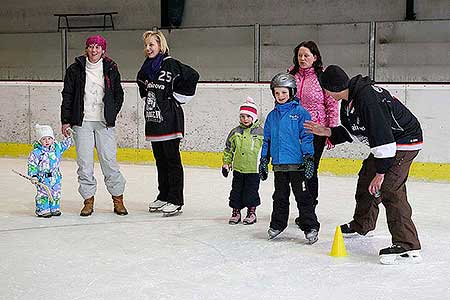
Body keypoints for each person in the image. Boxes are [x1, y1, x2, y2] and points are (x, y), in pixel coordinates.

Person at [305, 65, 423, 264]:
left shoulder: (367, 98)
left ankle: (407, 246)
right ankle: (363, 224)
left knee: (389, 188)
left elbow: (381, 135)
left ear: (331, 88)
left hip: (404, 140)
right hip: (389, 141)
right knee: (366, 177)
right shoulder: (350, 99)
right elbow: (357, 130)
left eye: (324, 89)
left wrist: (382, 172)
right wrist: (328, 132)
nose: (324, 93)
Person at [61, 34, 128, 217]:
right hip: (82, 122)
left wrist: (111, 113)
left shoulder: (111, 68)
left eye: (98, 47)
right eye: (91, 46)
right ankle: (88, 200)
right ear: (86, 49)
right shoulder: (75, 69)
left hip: (104, 122)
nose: (94, 50)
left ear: (103, 50)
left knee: (109, 161)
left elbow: (118, 94)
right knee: (84, 163)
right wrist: (65, 120)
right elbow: (67, 95)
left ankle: (118, 199)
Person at [136, 30, 199, 216]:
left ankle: (176, 200)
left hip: (171, 121)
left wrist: (177, 96)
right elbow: (143, 87)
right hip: (154, 121)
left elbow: (193, 76)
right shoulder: (146, 68)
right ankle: (163, 196)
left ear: (160, 46)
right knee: (160, 161)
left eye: (152, 45)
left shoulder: (170, 64)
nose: (148, 48)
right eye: (146, 45)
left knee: (172, 162)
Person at [259, 73, 319, 244]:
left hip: (297, 166)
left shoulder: (301, 113)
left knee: (303, 197)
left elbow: (307, 137)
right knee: (279, 197)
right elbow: (267, 140)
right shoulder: (272, 116)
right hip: (279, 166)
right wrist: (264, 159)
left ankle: (310, 227)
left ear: (292, 92)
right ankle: (278, 224)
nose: (280, 96)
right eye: (277, 93)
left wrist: (308, 157)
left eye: (284, 93)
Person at [288, 41, 339, 226]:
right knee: (296, 171)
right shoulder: (290, 76)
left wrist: (331, 132)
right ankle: (303, 208)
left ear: (315, 57)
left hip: (316, 131)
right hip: (294, 131)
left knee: (310, 171)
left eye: (306, 56)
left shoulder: (322, 77)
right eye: (300, 55)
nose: (302, 59)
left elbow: (332, 105)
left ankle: (309, 211)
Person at [222, 97, 264, 225]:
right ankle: (236, 211)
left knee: (251, 192)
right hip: (238, 169)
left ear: (254, 117)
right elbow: (228, 149)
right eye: (242, 116)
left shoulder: (261, 133)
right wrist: (226, 163)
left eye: (248, 116)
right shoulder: (235, 132)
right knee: (236, 191)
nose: (245, 119)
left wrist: (264, 165)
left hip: (253, 169)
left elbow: (266, 150)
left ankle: (251, 212)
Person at [28, 124, 72, 217]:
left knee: (55, 193)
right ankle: (42, 209)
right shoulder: (37, 152)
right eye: (43, 139)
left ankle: (54, 208)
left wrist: (67, 137)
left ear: (53, 139)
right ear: (39, 141)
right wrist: (33, 175)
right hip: (42, 178)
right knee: (43, 194)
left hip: (55, 177)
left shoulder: (56, 148)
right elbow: (32, 165)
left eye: (49, 138)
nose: (47, 141)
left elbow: (66, 145)